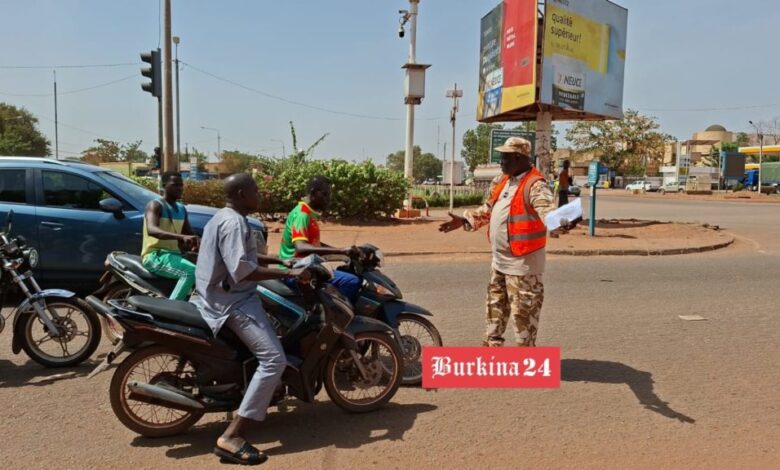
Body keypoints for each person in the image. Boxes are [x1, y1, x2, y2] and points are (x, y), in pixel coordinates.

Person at [194, 173, 306, 465]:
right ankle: (232, 436)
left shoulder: (223, 217)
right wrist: (289, 274)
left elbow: (247, 258)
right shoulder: (234, 223)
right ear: (242, 193)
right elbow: (243, 271)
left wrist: (282, 261)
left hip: (217, 295)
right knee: (274, 360)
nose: (260, 195)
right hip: (231, 302)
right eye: (256, 191)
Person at [439, 137, 574, 347]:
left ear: (520, 158)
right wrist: (465, 220)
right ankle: (493, 354)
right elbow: (488, 210)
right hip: (499, 262)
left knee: (524, 316)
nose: (501, 162)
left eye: (505, 158)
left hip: (523, 266)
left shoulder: (535, 184)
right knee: (495, 308)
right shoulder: (502, 181)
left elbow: (546, 211)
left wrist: (559, 222)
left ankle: (524, 362)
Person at [279, 175, 361, 302]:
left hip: (306, 266)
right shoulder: (302, 215)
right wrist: (340, 250)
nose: (328, 199)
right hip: (296, 271)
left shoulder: (308, 214)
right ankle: (336, 318)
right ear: (312, 193)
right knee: (351, 281)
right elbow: (300, 247)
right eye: (325, 195)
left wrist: (343, 253)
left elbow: (314, 244)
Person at [141, 171, 199, 301]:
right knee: (190, 272)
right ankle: (170, 311)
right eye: (175, 185)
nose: (180, 188)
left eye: (181, 185)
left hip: (175, 255)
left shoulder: (181, 209)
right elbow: (152, 230)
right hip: (155, 256)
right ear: (164, 185)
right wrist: (180, 237)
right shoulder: (155, 205)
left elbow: (189, 233)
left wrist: (199, 243)